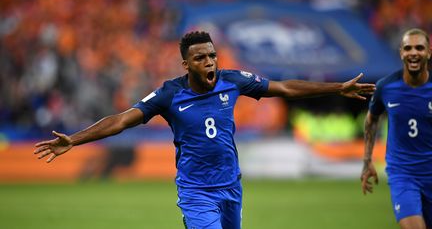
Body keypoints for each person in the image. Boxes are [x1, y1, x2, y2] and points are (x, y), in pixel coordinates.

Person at [35, 31, 375, 229]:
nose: (210, 62)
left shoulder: (232, 81)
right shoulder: (169, 93)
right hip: (196, 192)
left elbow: (284, 88)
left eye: (212, 56)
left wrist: (336, 89)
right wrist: (74, 139)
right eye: (201, 58)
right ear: (187, 64)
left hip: (231, 188)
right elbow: (123, 120)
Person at [361, 28, 432, 229]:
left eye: (419, 47)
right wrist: (367, 161)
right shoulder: (386, 87)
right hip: (403, 174)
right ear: (401, 52)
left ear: (429, 52)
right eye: (408, 48)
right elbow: (371, 120)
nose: (413, 53)